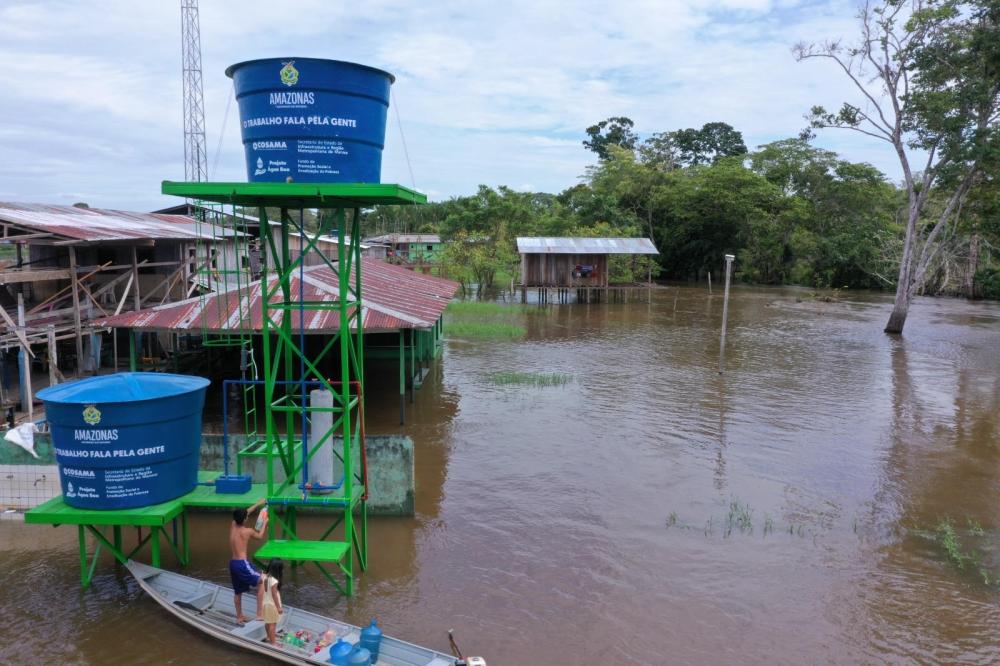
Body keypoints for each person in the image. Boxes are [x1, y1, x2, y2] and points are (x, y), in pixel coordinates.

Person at [229, 498, 267, 624]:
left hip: (233, 563)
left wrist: (257, 504)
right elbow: (260, 536)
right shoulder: (247, 531)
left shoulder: (233, 525)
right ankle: (259, 614)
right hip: (242, 563)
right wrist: (265, 522)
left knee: (238, 591)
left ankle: (239, 617)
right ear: (245, 519)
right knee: (263, 580)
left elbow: (245, 512)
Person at [261, 558, 284, 645]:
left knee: (268, 622)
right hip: (272, 605)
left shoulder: (266, 576)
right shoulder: (274, 581)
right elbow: (274, 595)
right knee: (273, 624)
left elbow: (262, 584)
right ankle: (273, 643)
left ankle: (268, 637)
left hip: (266, 603)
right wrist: (278, 607)